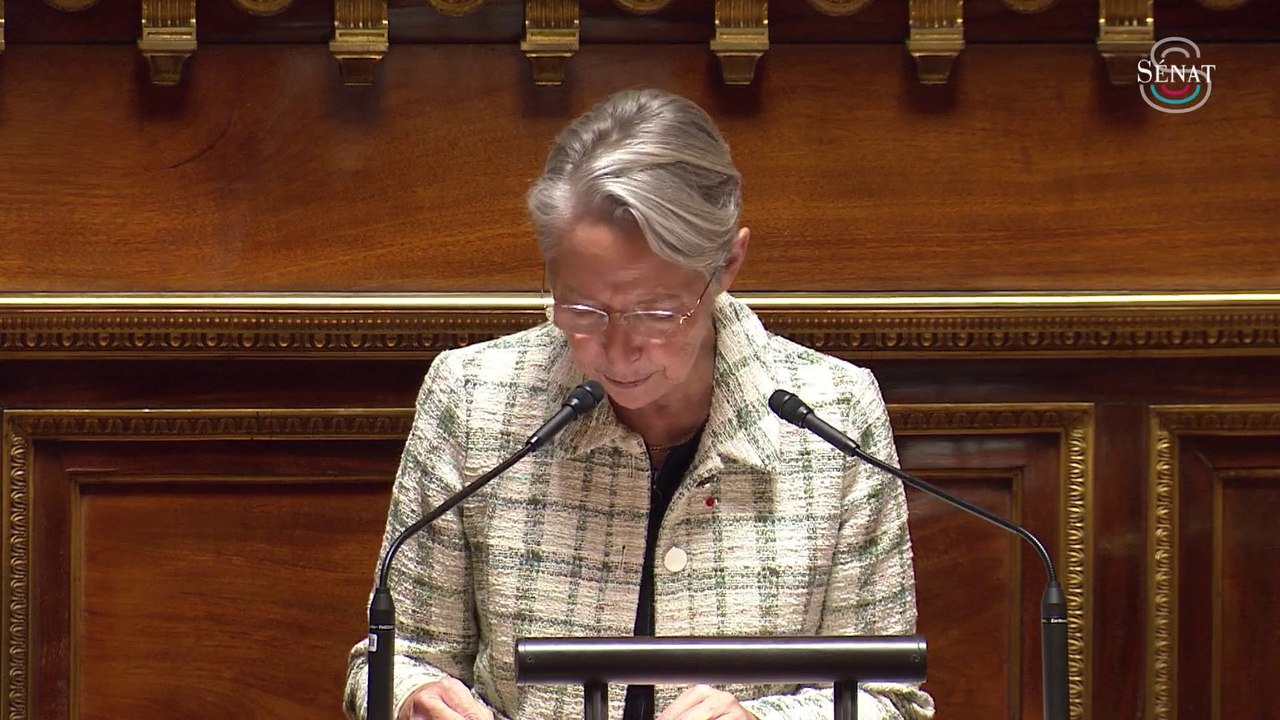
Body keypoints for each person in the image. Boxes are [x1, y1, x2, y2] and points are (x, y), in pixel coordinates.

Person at [344, 88, 934, 720]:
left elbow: (888, 700)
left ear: (728, 263)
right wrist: (409, 697)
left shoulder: (833, 414)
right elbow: (394, 658)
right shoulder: (473, 397)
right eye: (582, 309)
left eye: (657, 312)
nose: (618, 351)